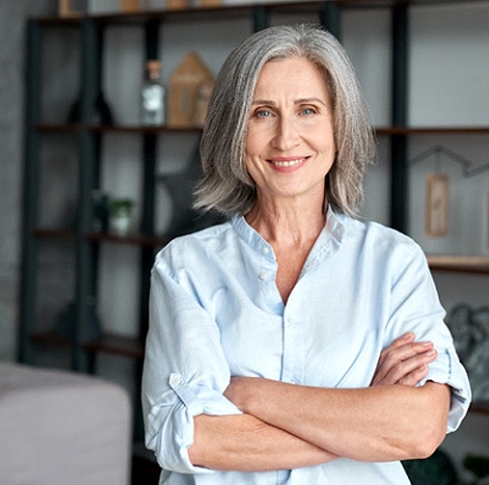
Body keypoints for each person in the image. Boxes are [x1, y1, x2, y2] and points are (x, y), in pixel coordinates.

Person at [142, 23, 471, 484]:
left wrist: (251, 394)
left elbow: (419, 428)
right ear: (234, 131)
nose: (285, 139)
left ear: (339, 125)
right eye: (262, 113)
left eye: (308, 110)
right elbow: (191, 439)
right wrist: (364, 417)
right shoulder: (185, 267)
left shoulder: (394, 262)